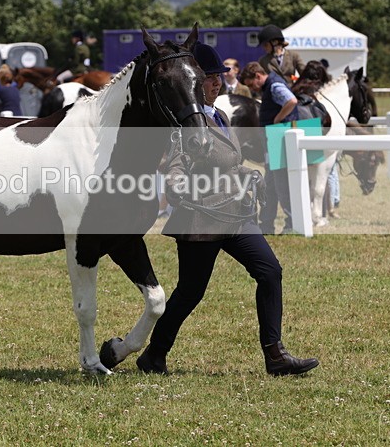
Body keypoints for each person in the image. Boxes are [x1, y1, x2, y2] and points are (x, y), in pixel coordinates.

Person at [137, 42, 319, 377]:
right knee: (191, 292)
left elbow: (230, 160)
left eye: (219, 77)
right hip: (201, 218)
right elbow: (174, 167)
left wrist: (250, 174)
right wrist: (176, 188)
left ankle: (275, 355)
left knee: (269, 271)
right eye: (209, 78)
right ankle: (154, 355)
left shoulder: (219, 116)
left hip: (235, 215)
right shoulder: (187, 124)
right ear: (194, 83)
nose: (216, 83)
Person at [241, 61, 298, 234]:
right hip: (273, 139)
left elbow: (291, 101)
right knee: (271, 184)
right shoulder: (270, 85)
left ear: (258, 76)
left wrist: (277, 119)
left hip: (277, 138)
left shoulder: (274, 86)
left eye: (252, 84)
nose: (253, 89)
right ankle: (266, 225)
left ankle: (291, 225)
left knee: (281, 184)